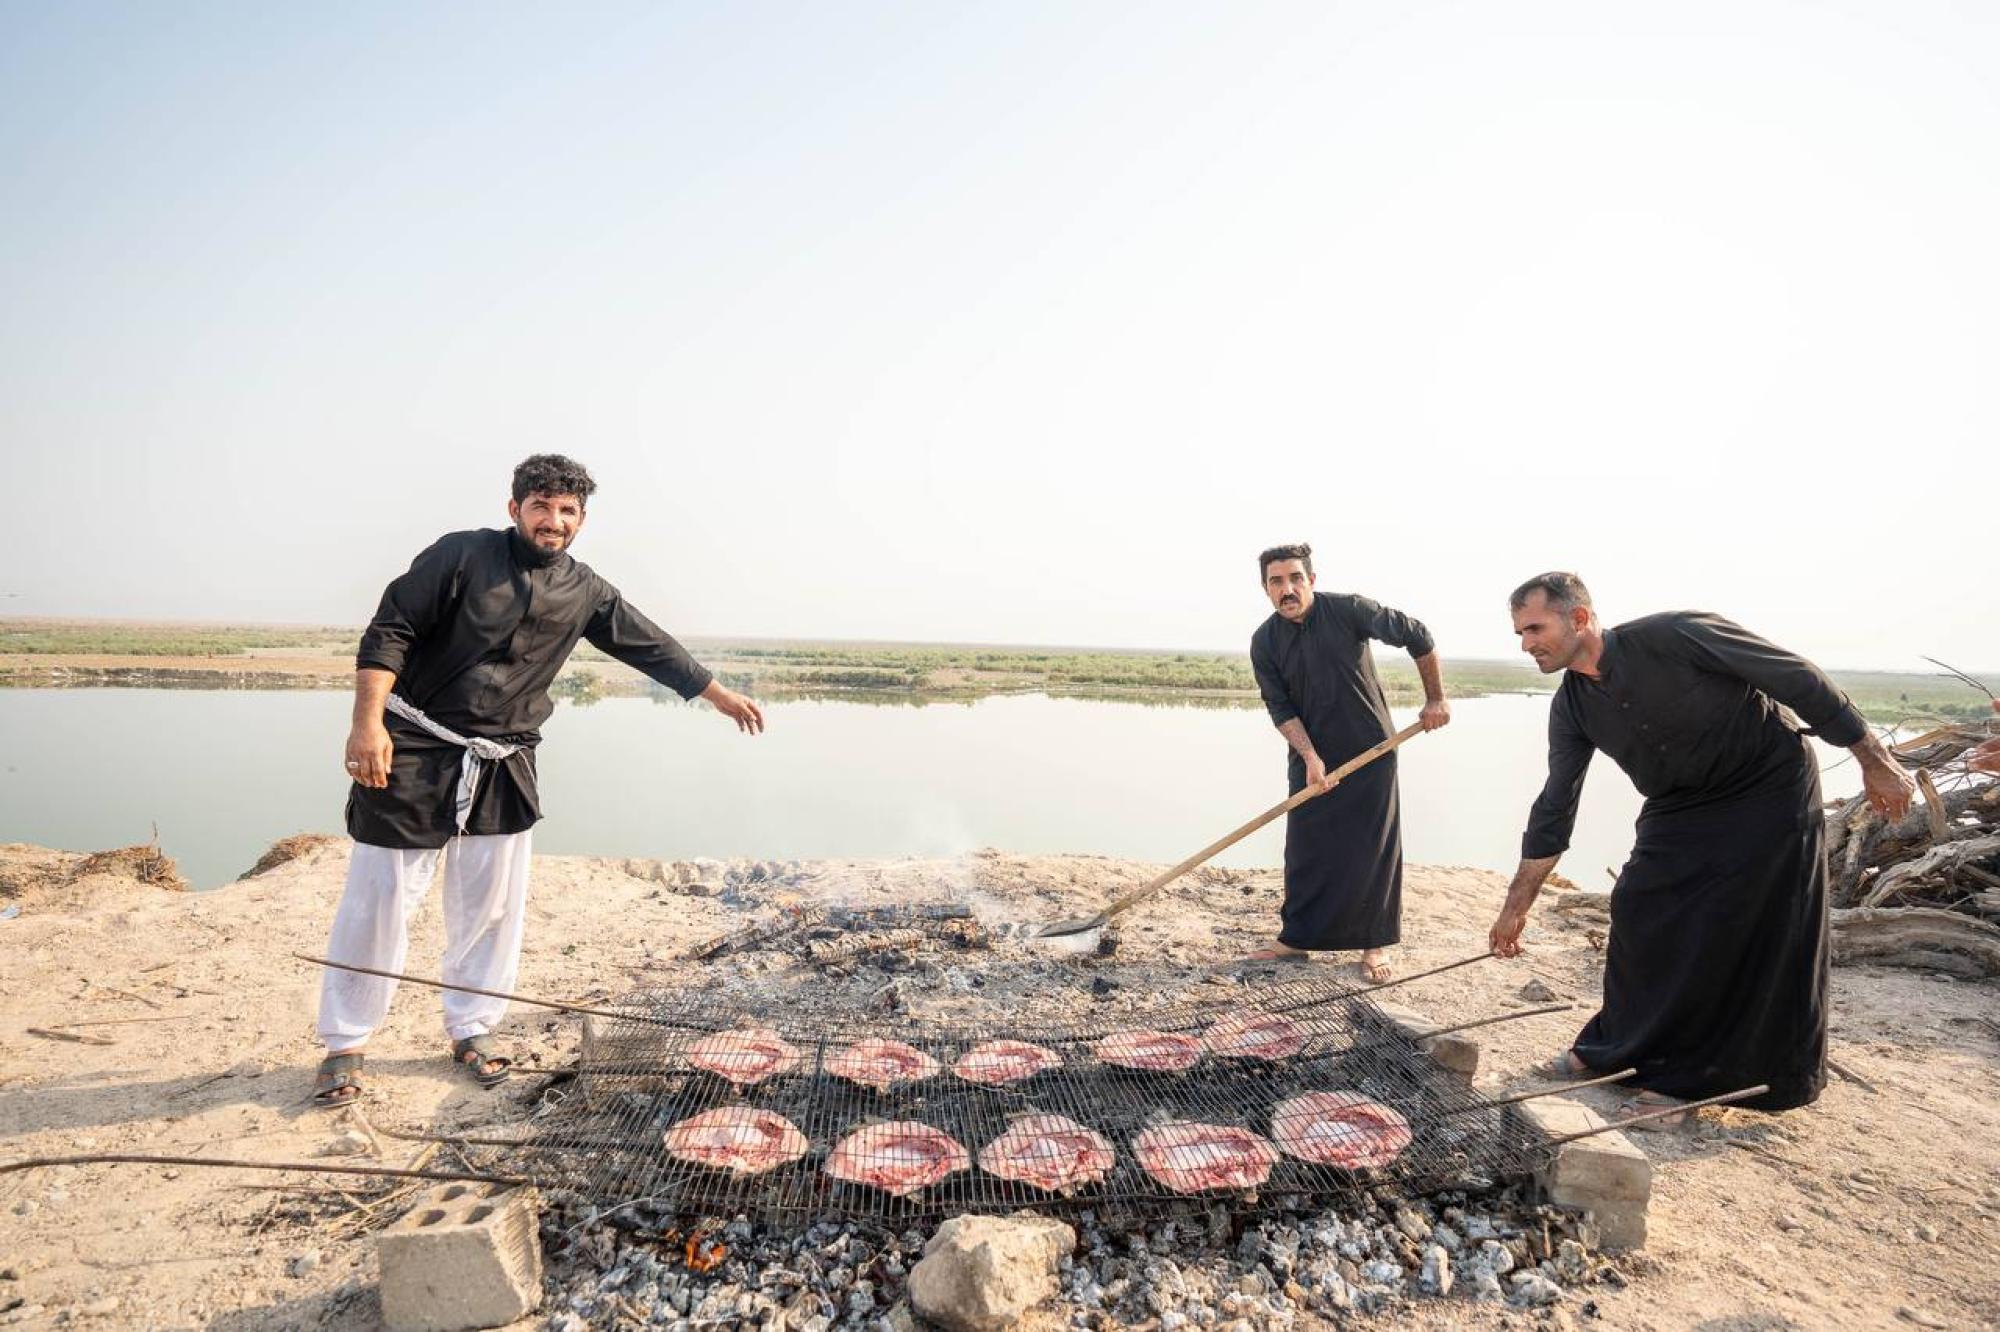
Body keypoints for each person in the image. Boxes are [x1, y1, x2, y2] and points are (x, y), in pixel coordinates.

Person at [311, 454, 765, 1107]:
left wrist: (718, 695)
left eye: (567, 511)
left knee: (492, 907)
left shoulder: (585, 590)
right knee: (379, 901)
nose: (553, 521)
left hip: (505, 758)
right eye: (541, 507)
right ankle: (346, 1043)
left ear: (581, 519)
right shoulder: (461, 556)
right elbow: (389, 631)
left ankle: (472, 1029)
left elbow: (651, 645)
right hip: (412, 746)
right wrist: (366, 726)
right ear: (514, 508)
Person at [1487, 573, 1915, 1124]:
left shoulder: (1675, 634)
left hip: (1765, 785)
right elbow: (1554, 805)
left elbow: (1796, 679)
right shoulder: (1572, 706)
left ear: (1580, 618)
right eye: (1519, 633)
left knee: (1736, 924)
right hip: (1680, 802)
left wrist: (1873, 757)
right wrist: (1516, 904)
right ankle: (1614, 1050)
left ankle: (1698, 1083)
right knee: (1638, 906)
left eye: (1535, 628)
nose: (1527, 644)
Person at [1247, 543, 1450, 980]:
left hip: (1371, 750)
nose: (1287, 589)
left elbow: (1419, 636)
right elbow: (1280, 707)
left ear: (1311, 581)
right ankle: (1296, 939)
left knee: (1372, 849)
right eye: (1276, 582)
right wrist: (1310, 757)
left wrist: (1435, 698)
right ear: (1265, 588)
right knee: (1305, 846)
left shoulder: (1350, 610)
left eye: (1295, 579)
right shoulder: (1264, 641)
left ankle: (1374, 944)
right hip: (1311, 756)